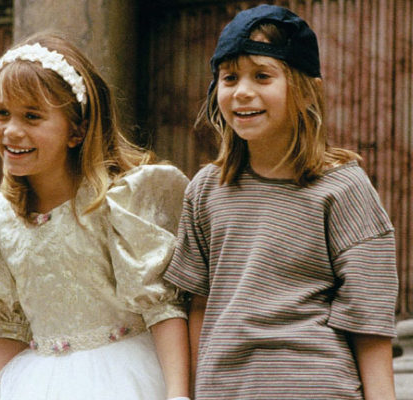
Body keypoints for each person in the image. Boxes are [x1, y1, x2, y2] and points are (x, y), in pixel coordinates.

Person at [0, 31, 191, 400]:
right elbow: (15, 330)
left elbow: (162, 309)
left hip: (122, 378)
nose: (12, 131)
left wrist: (178, 394)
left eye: (32, 116)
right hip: (36, 383)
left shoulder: (116, 205)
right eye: (2, 113)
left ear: (77, 130)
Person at [164, 4, 398, 400]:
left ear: (306, 91)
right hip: (225, 390)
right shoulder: (205, 190)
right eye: (229, 77)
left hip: (317, 387)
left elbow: (369, 321)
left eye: (262, 76)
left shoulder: (343, 188)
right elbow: (198, 305)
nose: (242, 91)